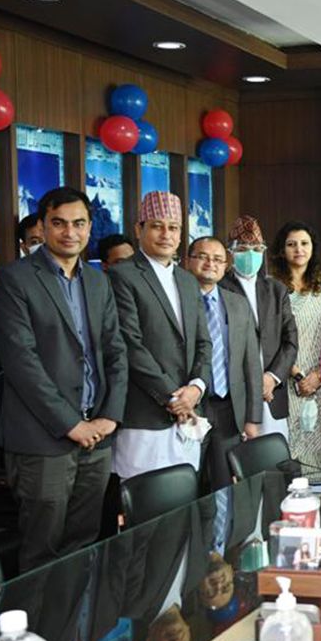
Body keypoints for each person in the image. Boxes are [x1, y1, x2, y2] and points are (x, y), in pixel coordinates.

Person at [0, 187, 128, 570]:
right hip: (43, 441)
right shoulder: (12, 280)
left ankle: (73, 613)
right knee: (42, 552)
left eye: (79, 223)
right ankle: (39, 614)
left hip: (97, 436)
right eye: (59, 223)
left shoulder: (98, 282)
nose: (70, 232)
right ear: (44, 225)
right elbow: (22, 364)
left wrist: (110, 417)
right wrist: (71, 424)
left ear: (90, 228)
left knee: (82, 546)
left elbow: (116, 352)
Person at [108, 191, 212, 480]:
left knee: (184, 497)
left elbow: (204, 342)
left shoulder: (187, 280)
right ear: (138, 229)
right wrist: (173, 397)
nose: (166, 234)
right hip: (145, 415)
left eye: (173, 227)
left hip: (189, 412)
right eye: (157, 226)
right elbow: (130, 345)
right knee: (145, 501)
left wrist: (196, 388)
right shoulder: (122, 275)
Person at [185, 236, 262, 491]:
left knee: (224, 486)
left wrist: (252, 418)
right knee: (186, 484)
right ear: (188, 260)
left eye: (218, 259)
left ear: (226, 265)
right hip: (190, 407)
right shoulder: (178, 300)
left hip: (229, 408)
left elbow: (251, 364)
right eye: (203, 257)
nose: (211, 263)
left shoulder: (238, 303)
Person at [269, 221, 321, 475]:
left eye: (304, 243)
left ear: (312, 248)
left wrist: (318, 375)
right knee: (289, 448)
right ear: (282, 250)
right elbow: (269, 336)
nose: (298, 249)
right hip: (284, 379)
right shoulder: (269, 286)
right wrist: (296, 374)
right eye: (291, 244)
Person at [219, 216, 299, 441]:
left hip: (272, 393)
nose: (250, 254)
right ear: (231, 252)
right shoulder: (219, 288)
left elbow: (290, 340)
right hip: (235, 397)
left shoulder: (276, 290)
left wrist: (272, 377)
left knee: (275, 457)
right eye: (243, 249)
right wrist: (252, 383)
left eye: (256, 249)